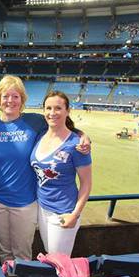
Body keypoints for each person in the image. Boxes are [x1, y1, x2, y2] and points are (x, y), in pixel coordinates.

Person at [0, 75, 92, 262]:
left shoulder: (34, 121)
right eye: (5, 96)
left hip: (25, 203)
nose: (10, 100)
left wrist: (82, 135)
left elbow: (61, 124)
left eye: (15, 96)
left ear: (22, 100)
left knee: (22, 254)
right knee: (3, 252)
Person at [30, 91, 92, 256]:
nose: (52, 113)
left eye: (58, 108)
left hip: (63, 212)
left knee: (60, 263)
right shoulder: (40, 135)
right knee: (50, 256)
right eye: (48, 108)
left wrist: (75, 214)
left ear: (67, 111)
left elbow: (86, 183)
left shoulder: (76, 145)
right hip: (42, 208)